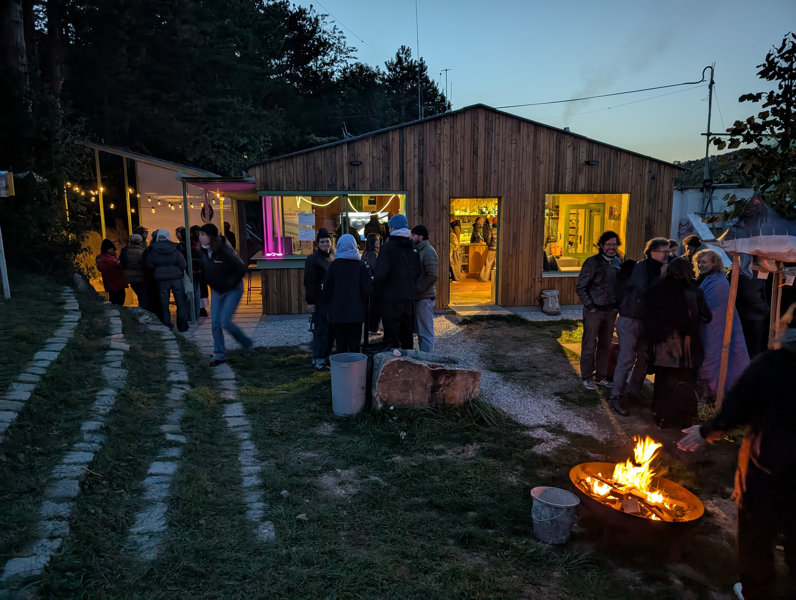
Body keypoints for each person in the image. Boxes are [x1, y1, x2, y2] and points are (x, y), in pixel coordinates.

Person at [678, 321, 796, 600]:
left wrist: (706, 431)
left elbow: (738, 406)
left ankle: (756, 591)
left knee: (756, 538)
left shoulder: (772, 365)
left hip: (767, 469)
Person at [643, 257, 711, 428]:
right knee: (685, 382)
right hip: (686, 348)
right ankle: (684, 418)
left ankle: (661, 416)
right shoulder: (695, 292)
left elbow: (648, 315)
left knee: (663, 382)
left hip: (663, 346)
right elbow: (706, 316)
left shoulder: (658, 289)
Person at [608, 237, 670, 415]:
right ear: (653, 252)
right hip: (630, 319)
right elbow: (644, 289)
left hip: (646, 321)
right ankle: (616, 396)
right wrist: (662, 276)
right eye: (665, 252)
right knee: (627, 358)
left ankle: (634, 391)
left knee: (644, 357)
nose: (668, 255)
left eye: (668, 251)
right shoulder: (643, 267)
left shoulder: (657, 268)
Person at [694, 249, 750, 397]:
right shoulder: (704, 279)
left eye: (704, 262)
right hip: (707, 326)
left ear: (714, 263)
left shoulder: (718, 282)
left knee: (715, 357)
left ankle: (715, 391)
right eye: (699, 262)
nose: (700, 265)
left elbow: (715, 308)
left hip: (716, 328)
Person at [198, 223, 252, 366]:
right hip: (217, 290)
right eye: (200, 235)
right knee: (215, 324)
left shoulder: (223, 251)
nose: (200, 238)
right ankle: (220, 356)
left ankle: (246, 342)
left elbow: (241, 268)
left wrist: (229, 283)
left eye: (203, 235)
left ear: (211, 237)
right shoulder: (203, 252)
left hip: (233, 289)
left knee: (226, 322)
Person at [575, 231, 622, 391]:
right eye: (608, 244)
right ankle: (587, 377)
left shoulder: (618, 261)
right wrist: (590, 306)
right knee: (589, 345)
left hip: (611, 311)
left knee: (605, 345)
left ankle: (600, 376)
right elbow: (581, 287)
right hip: (594, 312)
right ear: (601, 245)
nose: (611, 247)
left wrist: (617, 305)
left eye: (614, 244)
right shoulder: (592, 262)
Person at [374, 214, 420, 349]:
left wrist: (377, 289)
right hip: (408, 298)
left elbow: (381, 274)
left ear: (393, 229)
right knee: (407, 335)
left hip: (391, 299)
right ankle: (408, 359)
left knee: (391, 337)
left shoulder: (388, 248)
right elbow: (418, 272)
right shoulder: (412, 247)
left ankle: (392, 360)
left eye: (389, 228)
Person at [324, 234, 372, 353]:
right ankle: (355, 364)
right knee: (355, 343)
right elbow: (367, 289)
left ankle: (342, 364)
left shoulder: (334, 266)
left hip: (337, 312)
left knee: (341, 344)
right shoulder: (360, 266)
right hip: (356, 312)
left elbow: (327, 289)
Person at [146, 229, 190, 332]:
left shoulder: (153, 249)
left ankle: (167, 324)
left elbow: (149, 265)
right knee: (180, 303)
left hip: (161, 279)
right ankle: (182, 326)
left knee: (164, 303)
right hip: (176, 278)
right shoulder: (175, 248)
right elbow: (183, 264)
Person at [304, 228, 334, 370]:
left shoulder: (331, 256)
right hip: (319, 300)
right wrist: (310, 302)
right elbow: (309, 282)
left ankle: (325, 357)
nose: (325, 244)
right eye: (322, 241)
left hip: (329, 299)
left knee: (329, 330)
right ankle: (318, 359)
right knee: (321, 330)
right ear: (317, 243)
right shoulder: (313, 259)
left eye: (327, 241)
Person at [411, 225, 439, 353]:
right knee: (422, 331)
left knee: (426, 332)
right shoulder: (418, 250)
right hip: (420, 296)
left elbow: (433, 275)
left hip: (425, 297)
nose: (411, 237)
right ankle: (424, 356)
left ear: (420, 237)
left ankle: (427, 359)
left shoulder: (428, 251)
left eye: (413, 235)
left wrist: (418, 288)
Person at [735, 271, 769, 358]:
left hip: (751, 314)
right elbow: (751, 295)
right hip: (752, 316)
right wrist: (765, 309)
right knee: (752, 352)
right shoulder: (752, 270)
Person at [96, 239, 128, 305]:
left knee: (121, 298)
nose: (114, 251)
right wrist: (115, 263)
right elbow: (101, 267)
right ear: (108, 249)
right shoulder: (101, 258)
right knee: (115, 300)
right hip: (112, 283)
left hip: (119, 283)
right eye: (112, 249)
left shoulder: (114, 257)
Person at [120, 233, 148, 308]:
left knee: (139, 294)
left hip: (130, 277)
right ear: (140, 242)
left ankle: (141, 308)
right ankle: (143, 310)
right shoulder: (143, 252)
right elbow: (146, 265)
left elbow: (122, 263)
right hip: (141, 277)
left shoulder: (125, 251)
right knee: (143, 296)